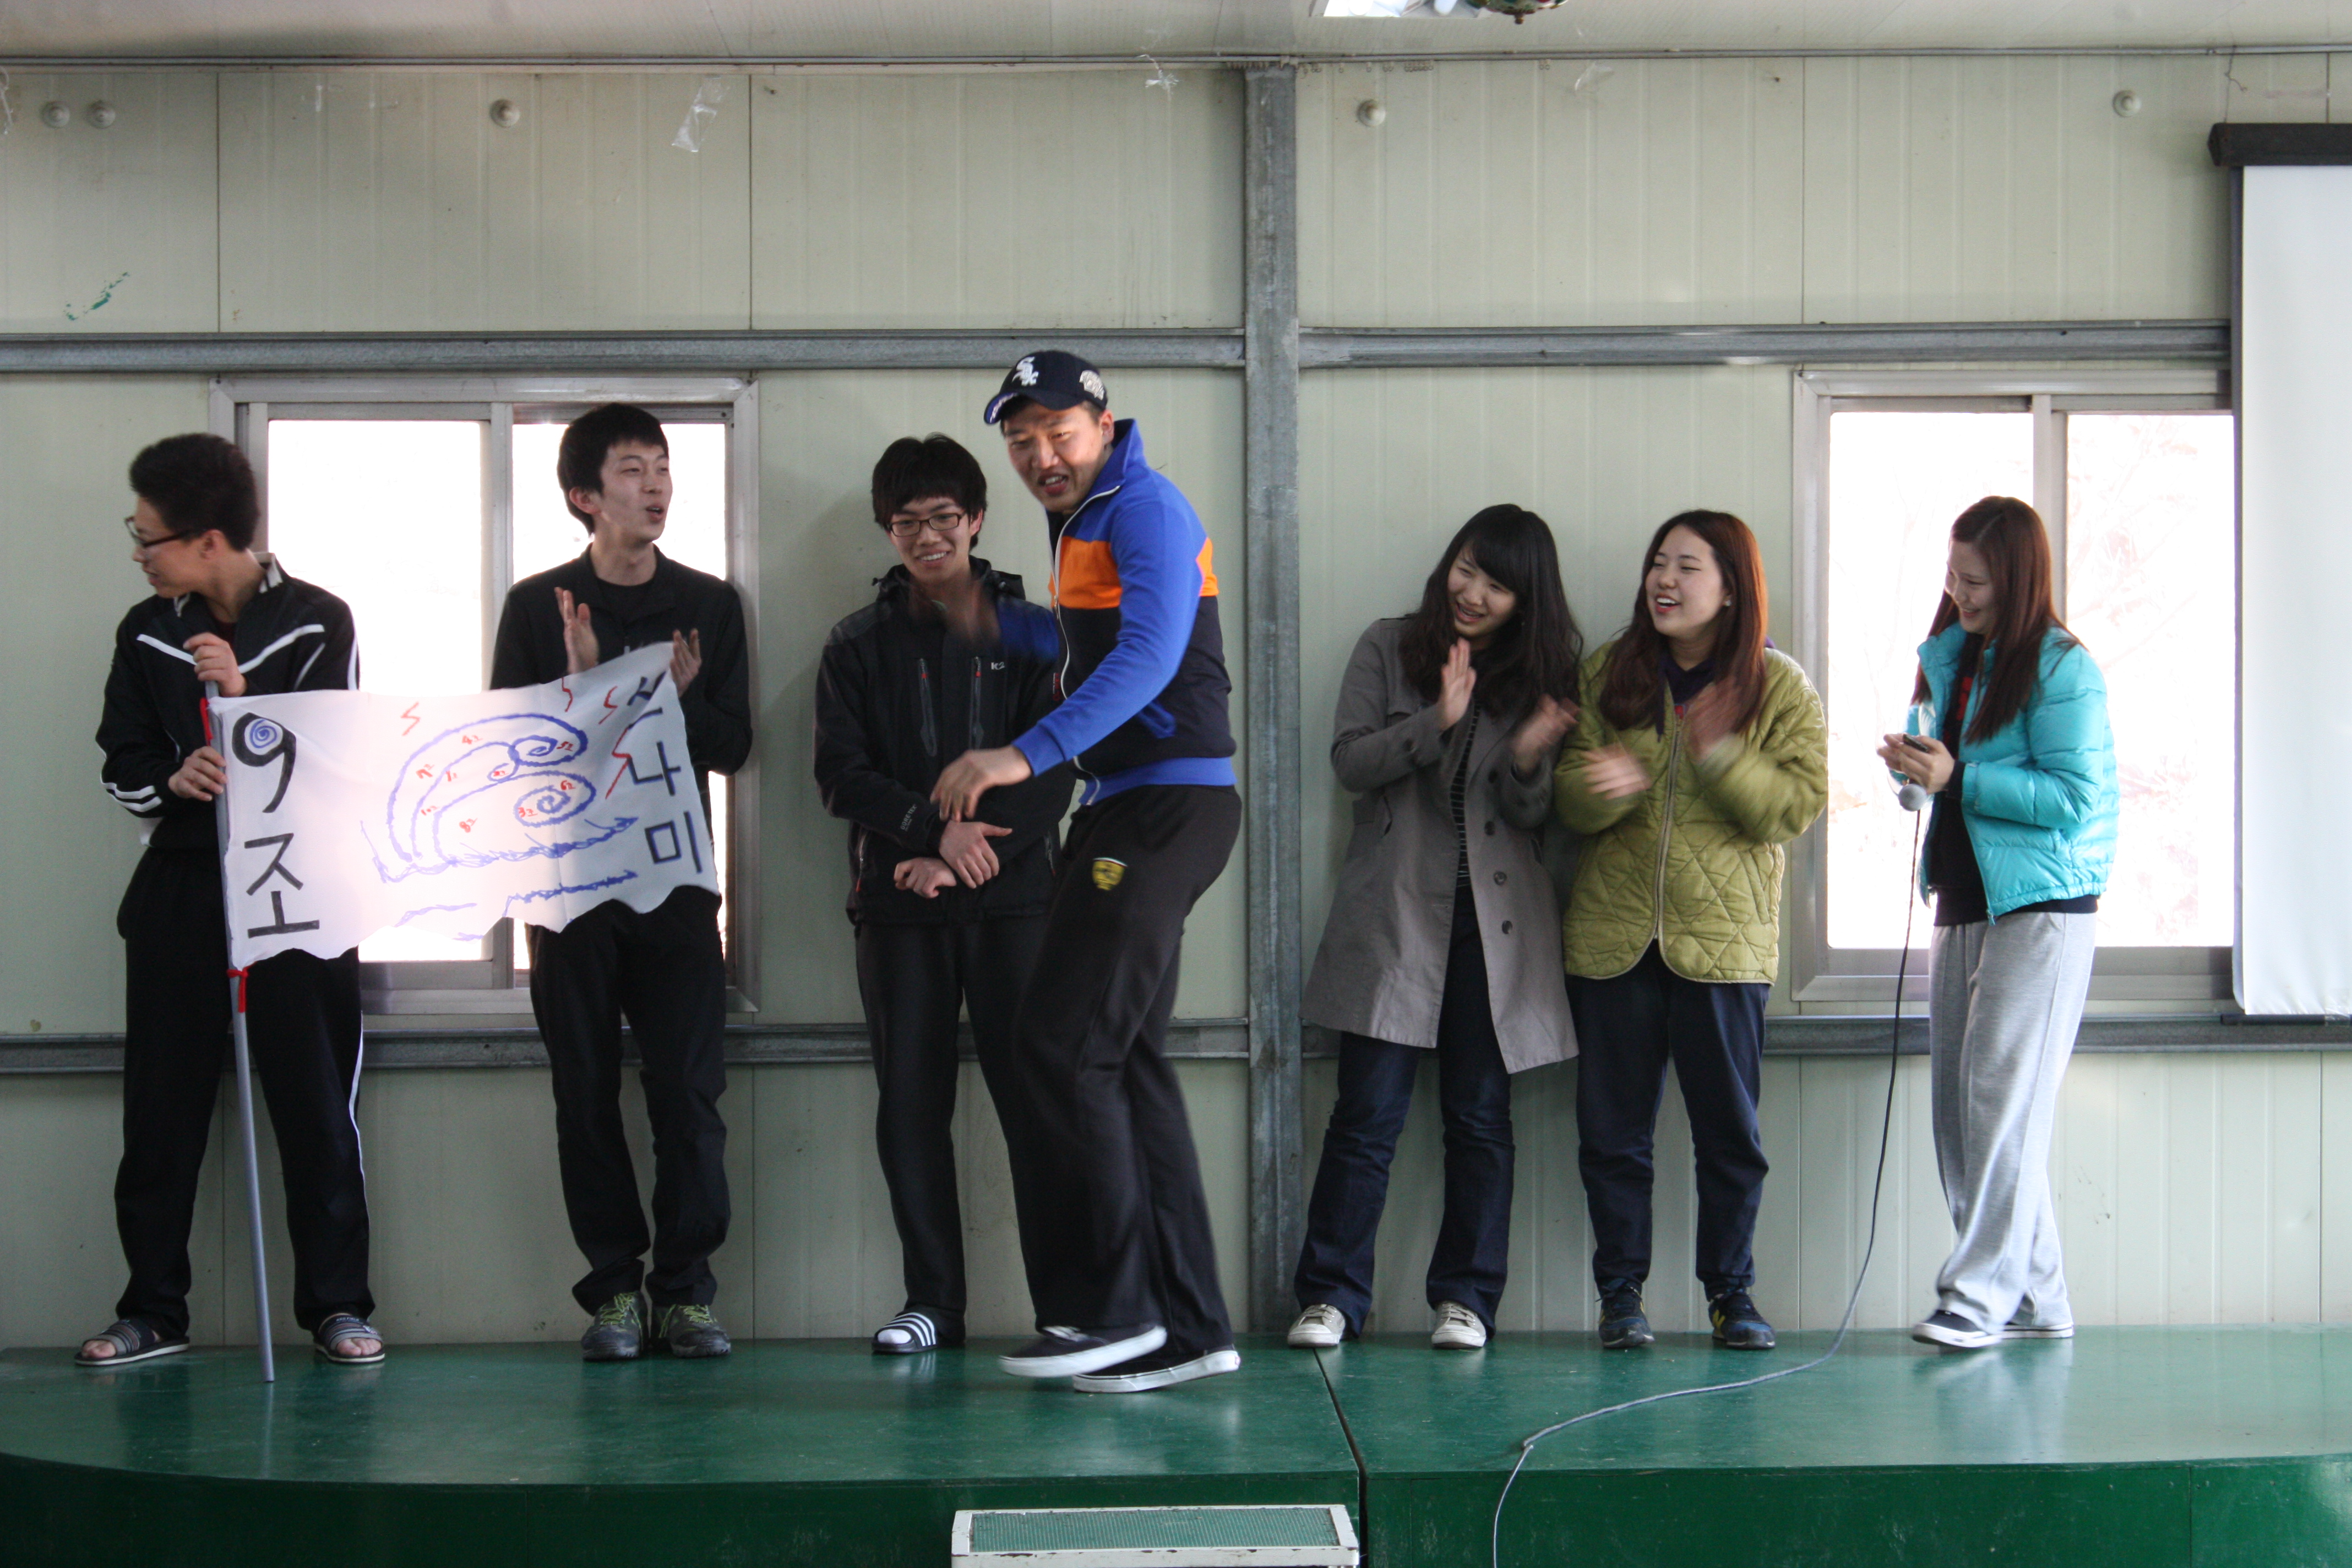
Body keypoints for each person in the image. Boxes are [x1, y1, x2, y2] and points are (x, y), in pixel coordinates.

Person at [930, 350, 1241, 1394]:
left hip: (1163, 806)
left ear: (1104, 425)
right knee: (1124, 1059)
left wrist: (1021, 755)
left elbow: (1147, 658)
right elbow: (1085, 645)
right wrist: (991, 617)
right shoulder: (1086, 522)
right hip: (1130, 806)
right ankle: (1190, 1329)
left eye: (1058, 434)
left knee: (1063, 1043)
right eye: (1020, 442)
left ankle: (1115, 1311)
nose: (1040, 457)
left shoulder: (1144, 508)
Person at [86, 432, 382, 1368]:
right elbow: (122, 762)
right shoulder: (145, 631)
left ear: (208, 540)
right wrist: (174, 780)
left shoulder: (319, 621)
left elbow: (338, 759)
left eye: (149, 538)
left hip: (298, 890)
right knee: (160, 1109)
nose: (140, 554)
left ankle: (337, 1308)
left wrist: (242, 699)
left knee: (315, 1102)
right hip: (182, 887)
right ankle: (152, 1311)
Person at [489, 403, 752, 1362]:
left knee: (688, 1093)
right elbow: (515, 756)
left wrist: (669, 700)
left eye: (663, 468)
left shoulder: (709, 604)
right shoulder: (538, 606)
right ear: (585, 496)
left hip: (676, 886)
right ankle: (612, 1293)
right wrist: (587, 686)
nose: (656, 487)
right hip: (570, 892)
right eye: (633, 471)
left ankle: (685, 1292)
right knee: (585, 1092)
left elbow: (735, 745)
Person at [1288, 506, 1582, 1353]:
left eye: (1498, 585)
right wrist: (1437, 721)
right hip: (1394, 917)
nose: (1474, 593)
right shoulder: (1389, 647)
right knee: (1365, 1116)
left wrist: (1526, 758)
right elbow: (1351, 762)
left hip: (1494, 928)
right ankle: (1331, 1296)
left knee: (1481, 1119)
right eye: (1467, 568)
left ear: (1526, 601)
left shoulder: (1540, 679)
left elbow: (1534, 815)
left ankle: (1467, 1299)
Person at [814, 434, 1072, 1355]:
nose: (927, 537)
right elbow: (840, 776)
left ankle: (1066, 1306)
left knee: (1036, 1106)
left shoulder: (1036, 632)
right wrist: (933, 834)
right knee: (910, 1107)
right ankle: (933, 1304)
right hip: (897, 908)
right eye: (907, 523)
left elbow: (1057, 764)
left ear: (977, 520)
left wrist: (964, 854)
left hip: (1017, 904)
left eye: (944, 518)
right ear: (888, 531)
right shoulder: (855, 644)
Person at [1554, 510, 1826, 1353]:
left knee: (1730, 1139)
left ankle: (1732, 1296)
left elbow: (1794, 808)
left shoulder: (1780, 686)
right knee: (1613, 1138)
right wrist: (1603, 786)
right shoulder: (1610, 672)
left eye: (1688, 567)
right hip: (1614, 939)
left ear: (1732, 588)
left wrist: (1721, 753)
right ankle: (1620, 1298)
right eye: (1658, 564)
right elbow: (1567, 799)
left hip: (1725, 945)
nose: (1664, 582)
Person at [1875, 496, 2115, 1352]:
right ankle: (2039, 1297)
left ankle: (1977, 1299)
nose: (1959, 593)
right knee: (1963, 1113)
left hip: (2043, 910)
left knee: (2000, 1106)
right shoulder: (1952, 658)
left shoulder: (2062, 667)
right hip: (1963, 900)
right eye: (1952, 575)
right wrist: (1916, 778)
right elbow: (1941, 776)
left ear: (2016, 578)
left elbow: (2074, 798)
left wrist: (1962, 780)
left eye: (1974, 580)